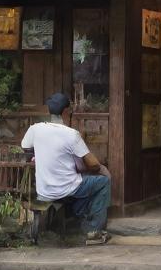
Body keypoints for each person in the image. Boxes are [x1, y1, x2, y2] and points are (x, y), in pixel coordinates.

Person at [21, 92, 111, 244]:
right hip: (68, 188)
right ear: (66, 111)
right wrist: (103, 170)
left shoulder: (35, 129)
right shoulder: (71, 134)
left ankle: (77, 217)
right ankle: (93, 231)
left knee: (81, 186)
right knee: (103, 183)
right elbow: (93, 164)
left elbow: (25, 148)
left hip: (44, 190)